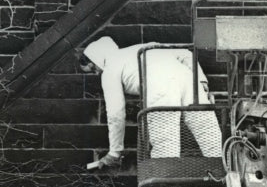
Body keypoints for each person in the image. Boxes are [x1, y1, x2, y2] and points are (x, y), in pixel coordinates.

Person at [79, 36, 223, 169]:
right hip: (188, 79)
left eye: (93, 68)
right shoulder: (145, 47)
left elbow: (115, 113)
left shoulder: (109, 70)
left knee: (165, 144)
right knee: (209, 134)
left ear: (98, 58)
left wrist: (115, 152)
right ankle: (223, 179)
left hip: (160, 87)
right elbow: (186, 53)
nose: (96, 73)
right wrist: (202, 82)